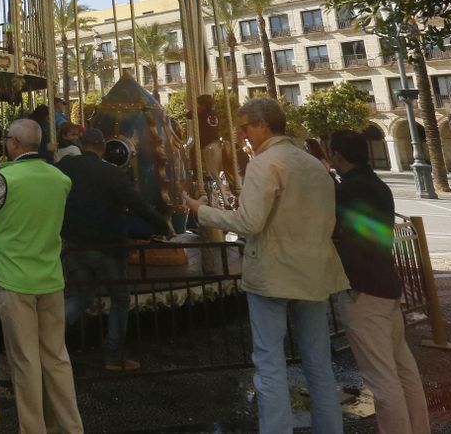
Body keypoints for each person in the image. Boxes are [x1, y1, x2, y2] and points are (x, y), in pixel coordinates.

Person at [185, 97, 348, 434]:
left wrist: (201, 211)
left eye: (245, 126)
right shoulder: (315, 166)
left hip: (274, 272)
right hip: (314, 272)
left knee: (269, 361)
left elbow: (250, 221)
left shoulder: (265, 163)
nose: (242, 133)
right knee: (318, 362)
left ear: (262, 125)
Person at [0, 118, 83, 434]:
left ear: (14, 143)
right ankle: (70, 427)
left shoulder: (6, 179)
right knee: (57, 359)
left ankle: (34, 429)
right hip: (51, 279)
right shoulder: (59, 178)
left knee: (26, 362)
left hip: (16, 282)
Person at [326, 129, 429, 434]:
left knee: (381, 377)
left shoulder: (348, 190)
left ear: (338, 155)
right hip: (386, 284)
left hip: (363, 288)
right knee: (403, 369)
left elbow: (337, 228)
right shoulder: (377, 185)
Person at [58, 126, 172, 371]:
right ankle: (112, 355)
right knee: (120, 298)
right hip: (107, 245)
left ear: (81, 143)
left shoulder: (66, 167)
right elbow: (137, 203)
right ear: (101, 148)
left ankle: (49, 339)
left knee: (80, 296)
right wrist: (163, 224)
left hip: (74, 244)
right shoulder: (111, 174)